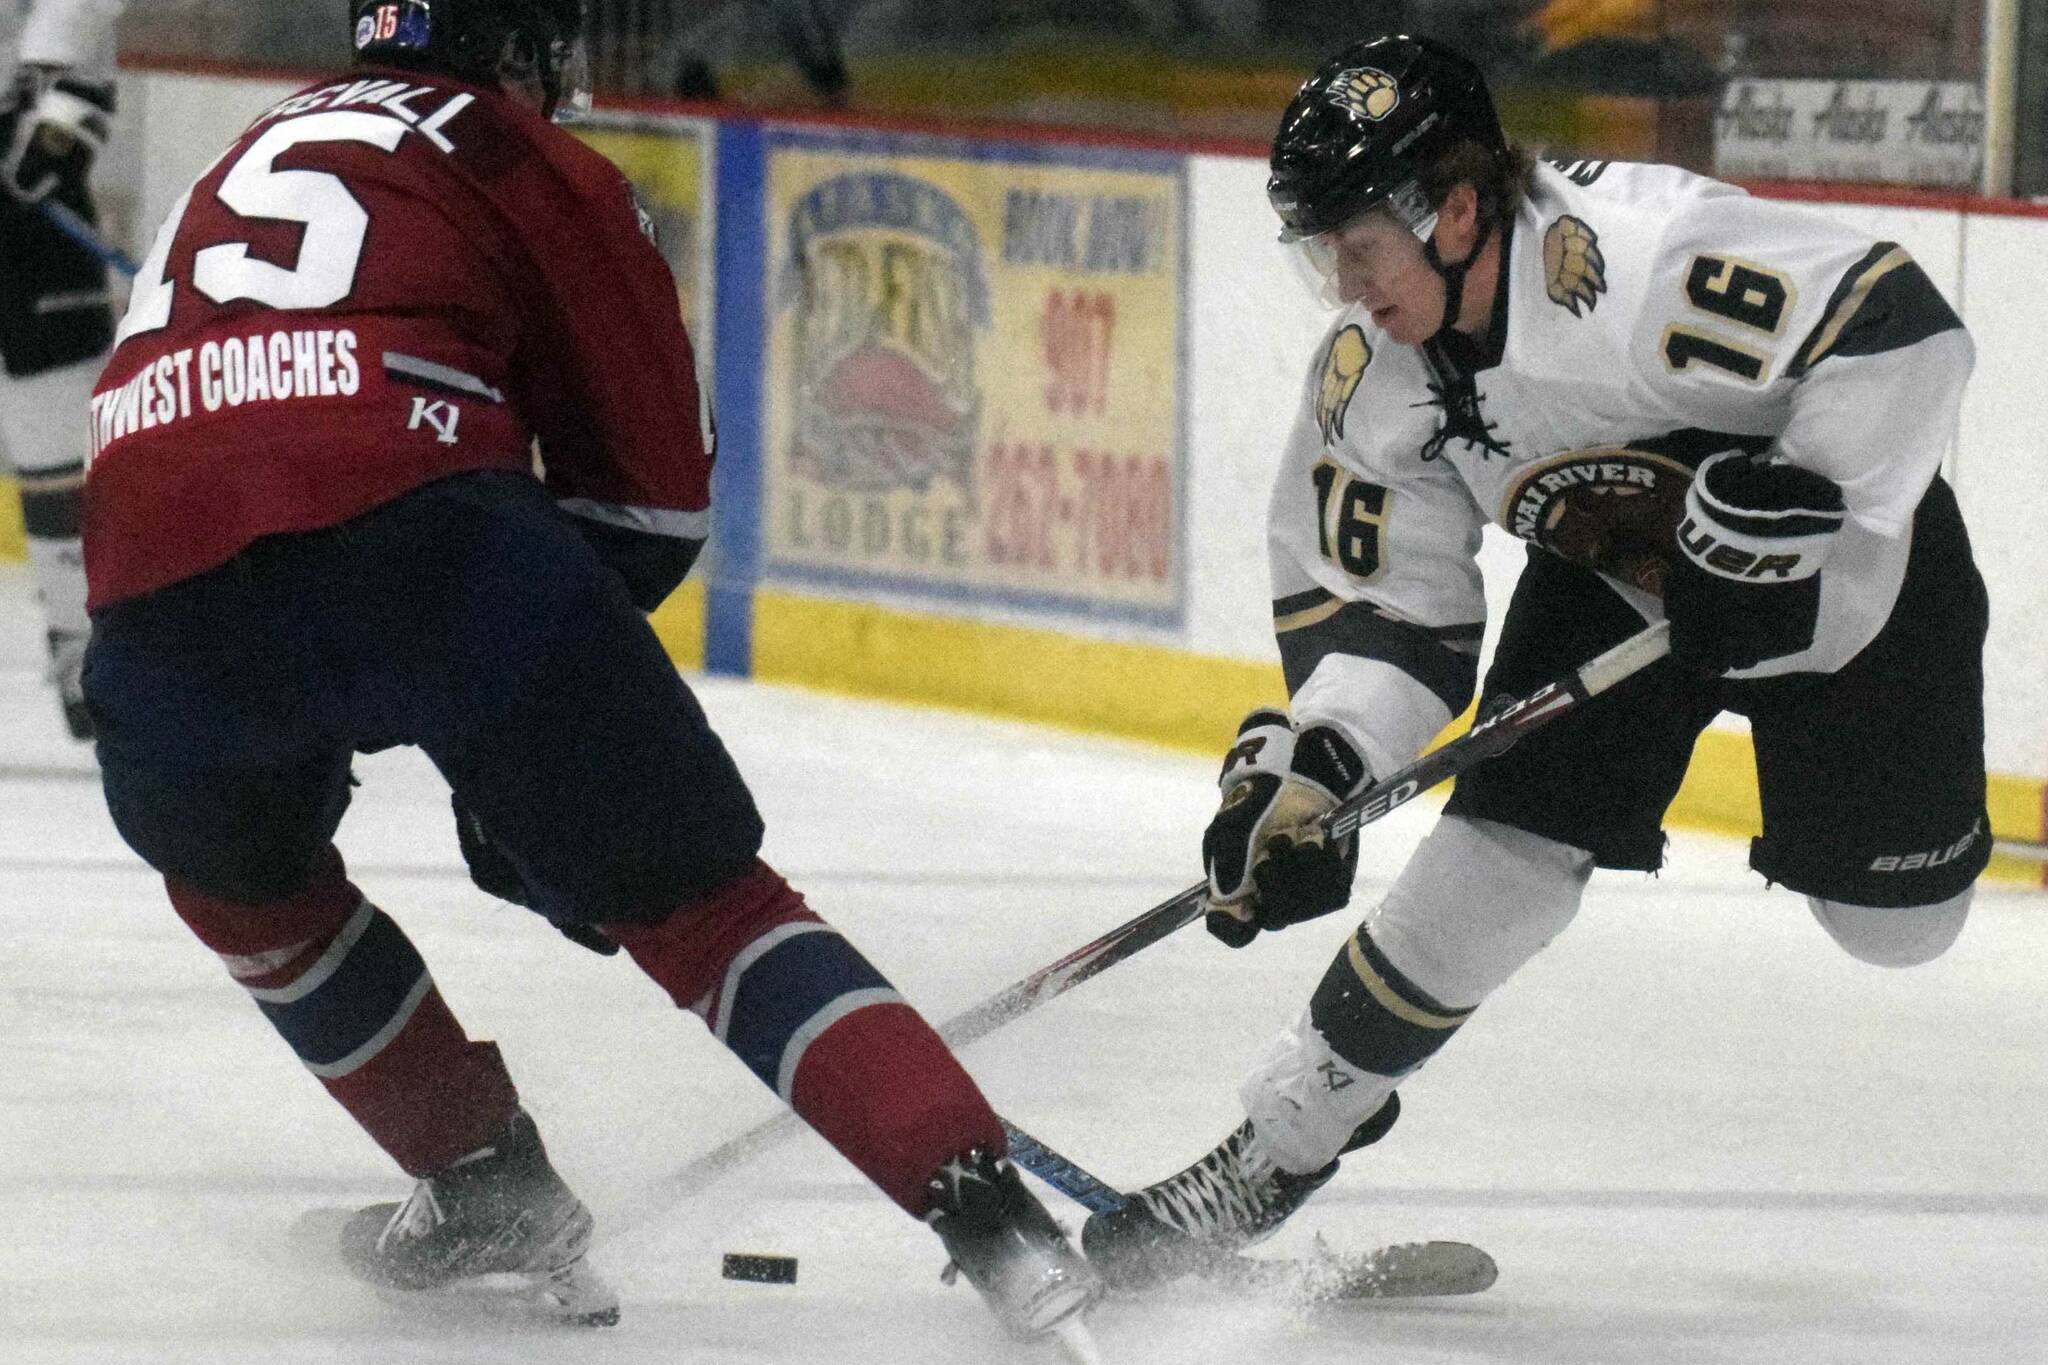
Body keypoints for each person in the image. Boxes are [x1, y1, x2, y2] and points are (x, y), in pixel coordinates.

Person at [79, 0, 1100, 1341]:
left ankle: (481, 1182)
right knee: (710, 913)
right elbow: (654, 503)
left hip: (151, 588)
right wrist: (543, 772)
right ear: (519, 48)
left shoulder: (243, 149)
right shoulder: (517, 156)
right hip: (426, 534)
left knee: (247, 888)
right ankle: (997, 1224)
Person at [1081, 33, 1988, 1287]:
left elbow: (1899, 318)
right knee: (1495, 854)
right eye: (1320, 254)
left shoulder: (1641, 266)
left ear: (1455, 211)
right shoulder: (1375, 372)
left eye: (1357, 248)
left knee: (1896, 929)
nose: (1342, 287)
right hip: (1611, 572)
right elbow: (1385, 600)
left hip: (1832, 589)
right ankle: (1276, 1146)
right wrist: (1321, 770)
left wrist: (1797, 502)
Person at [0, 0, 123, 738]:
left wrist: (49, 145)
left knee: (63, 461)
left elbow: (84, 37)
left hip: (32, 242)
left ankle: (87, 658)